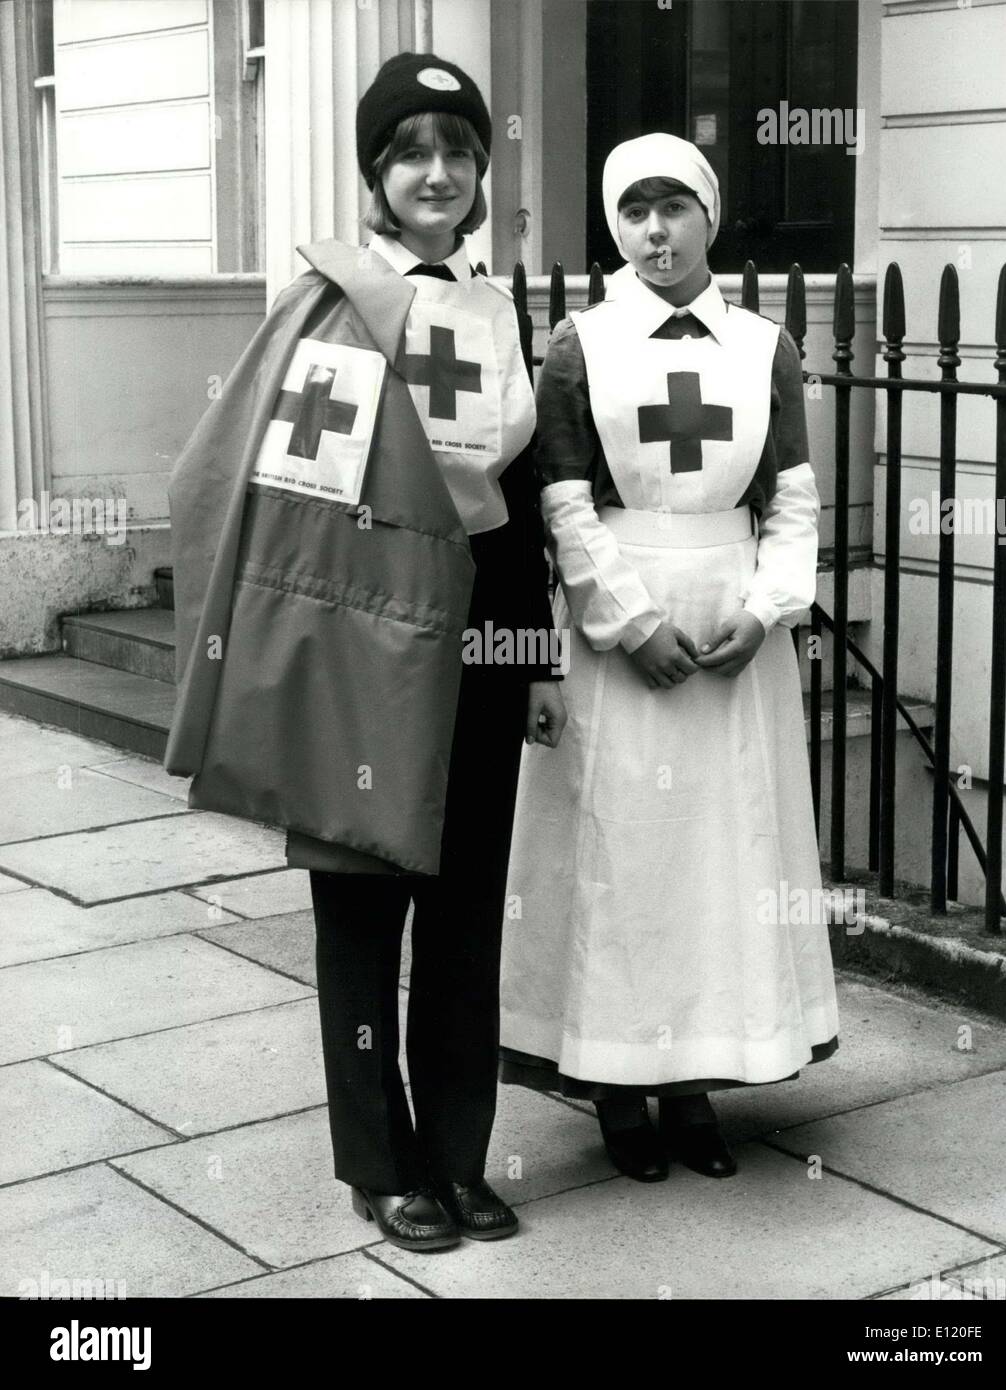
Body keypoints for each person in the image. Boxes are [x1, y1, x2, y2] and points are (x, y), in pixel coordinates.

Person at [164, 53, 564, 1253]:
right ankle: (377, 1162)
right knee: (358, 909)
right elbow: (286, 496)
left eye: (457, 150)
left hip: (481, 634)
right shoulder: (329, 300)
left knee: (463, 908)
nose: (437, 173)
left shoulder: (499, 305)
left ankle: (457, 1153)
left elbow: (523, 486)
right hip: (360, 634)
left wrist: (533, 652)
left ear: (481, 170)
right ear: (374, 176)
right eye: (409, 153)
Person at [498, 133, 839, 1185]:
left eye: (675, 208)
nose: (656, 230)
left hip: (732, 622)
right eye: (635, 211)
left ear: (709, 215)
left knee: (719, 855)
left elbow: (787, 494)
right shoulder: (581, 347)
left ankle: (694, 1079)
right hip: (627, 624)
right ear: (616, 225)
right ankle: (616, 1081)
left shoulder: (762, 346)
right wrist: (626, 620)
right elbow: (561, 498)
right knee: (625, 853)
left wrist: (770, 604)